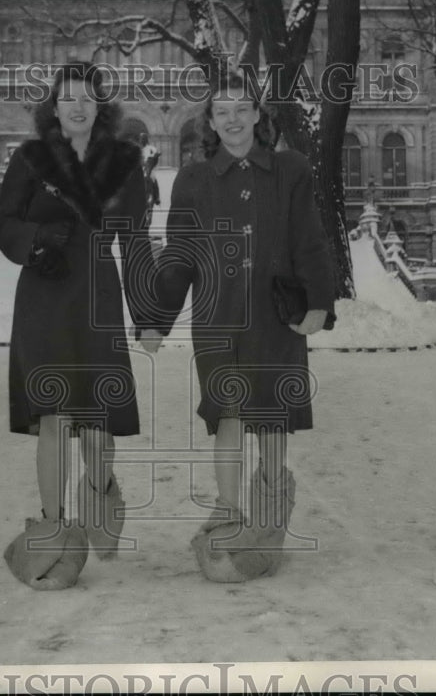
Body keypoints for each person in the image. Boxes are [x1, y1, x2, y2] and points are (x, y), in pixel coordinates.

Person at [140, 74, 335, 583]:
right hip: (218, 315)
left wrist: (319, 302)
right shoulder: (192, 180)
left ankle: (269, 513)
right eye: (221, 110)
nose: (231, 118)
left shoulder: (291, 170)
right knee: (227, 415)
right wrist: (158, 320)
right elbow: (180, 258)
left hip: (276, 315)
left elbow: (310, 239)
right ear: (210, 121)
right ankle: (228, 511)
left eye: (240, 108)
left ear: (256, 115)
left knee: (271, 416)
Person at [0, 62, 158, 590]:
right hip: (44, 292)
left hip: (98, 295)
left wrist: (149, 314)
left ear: (101, 107)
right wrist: (39, 239)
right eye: (67, 99)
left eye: (87, 99)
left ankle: (101, 487)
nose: (77, 107)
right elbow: (3, 224)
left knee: (96, 419)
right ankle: (52, 527)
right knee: (54, 415)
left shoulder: (125, 163)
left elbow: (133, 242)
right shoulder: (30, 159)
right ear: (54, 107)